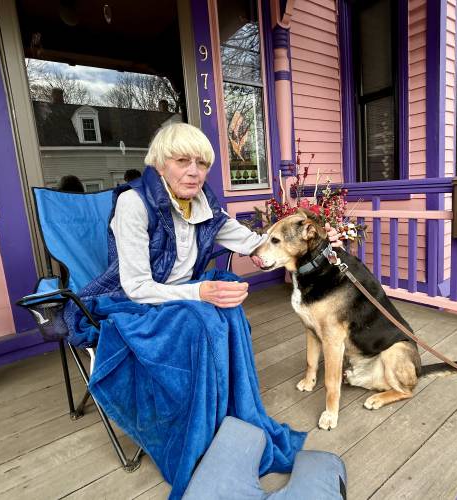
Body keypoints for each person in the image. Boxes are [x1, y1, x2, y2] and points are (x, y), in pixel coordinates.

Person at [65, 123, 340, 499]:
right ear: (161, 164)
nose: (194, 171)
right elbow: (137, 287)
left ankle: (234, 419)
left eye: (202, 163)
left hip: (185, 296)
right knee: (205, 320)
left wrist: (301, 246)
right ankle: (199, 436)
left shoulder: (203, 204)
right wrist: (199, 292)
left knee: (227, 311)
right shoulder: (134, 203)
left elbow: (254, 244)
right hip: (135, 304)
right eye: (183, 161)